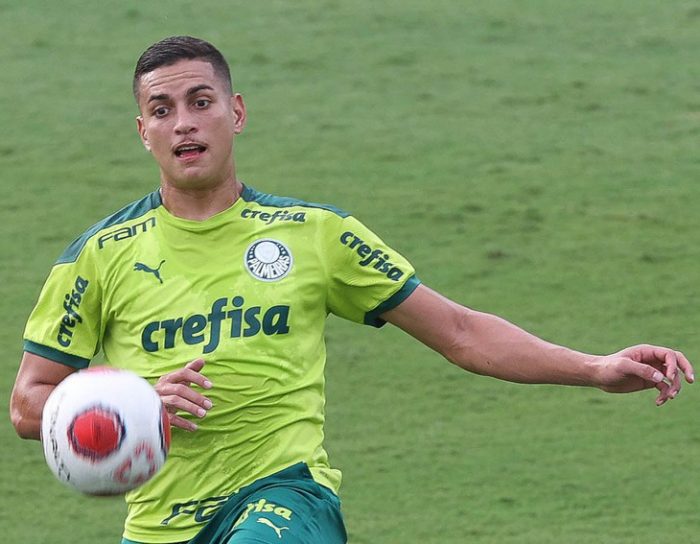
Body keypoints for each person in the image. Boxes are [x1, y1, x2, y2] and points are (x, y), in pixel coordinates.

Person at [9, 35, 694, 544]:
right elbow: (28, 404)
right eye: (162, 109)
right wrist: (132, 401)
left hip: (285, 499)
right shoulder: (99, 257)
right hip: (158, 524)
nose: (183, 122)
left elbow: (459, 332)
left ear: (235, 112)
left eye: (201, 102)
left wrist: (594, 368)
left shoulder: (316, 235)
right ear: (143, 132)